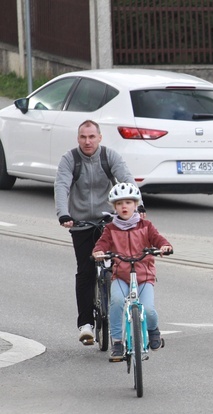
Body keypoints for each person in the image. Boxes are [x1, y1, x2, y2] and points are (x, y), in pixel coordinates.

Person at [55, 120, 143, 345]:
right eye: (83, 137)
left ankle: (117, 318)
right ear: (78, 138)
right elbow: (62, 186)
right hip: (81, 222)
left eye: (92, 137)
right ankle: (86, 324)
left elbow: (127, 179)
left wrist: (138, 205)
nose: (87, 141)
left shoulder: (109, 156)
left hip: (108, 222)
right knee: (85, 272)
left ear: (100, 137)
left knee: (117, 268)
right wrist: (64, 214)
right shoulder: (70, 159)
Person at [92, 183, 172, 362]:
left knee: (149, 309)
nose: (124, 206)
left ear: (136, 205)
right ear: (114, 207)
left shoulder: (146, 225)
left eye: (128, 202)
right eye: (119, 204)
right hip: (121, 275)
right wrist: (98, 251)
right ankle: (118, 342)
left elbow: (158, 239)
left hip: (144, 276)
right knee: (117, 302)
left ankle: (153, 331)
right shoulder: (111, 228)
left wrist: (164, 246)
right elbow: (102, 243)